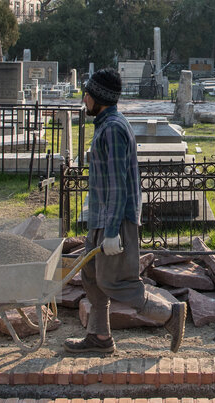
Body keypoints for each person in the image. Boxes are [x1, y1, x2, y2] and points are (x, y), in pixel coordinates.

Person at [64, 67, 187, 354]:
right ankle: (100, 337)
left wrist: (111, 232)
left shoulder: (113, 129)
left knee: (117, 282)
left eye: (87, 94)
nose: (84, 99)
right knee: (92, 278)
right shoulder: (106, 125)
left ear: (98, 97)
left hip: (115, 222)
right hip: (102, 218)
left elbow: (118, 185)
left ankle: (169, 315)